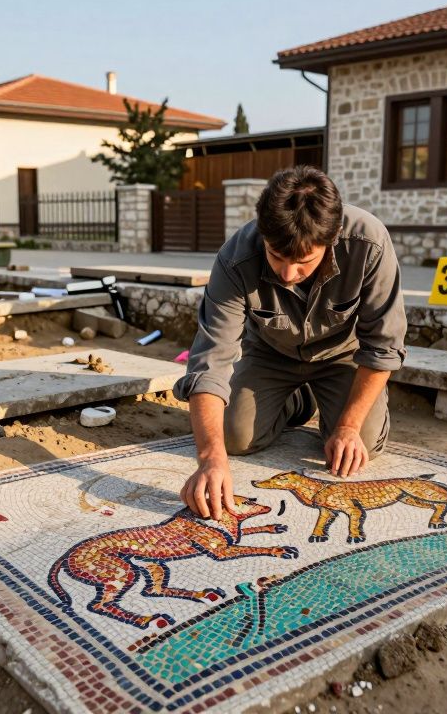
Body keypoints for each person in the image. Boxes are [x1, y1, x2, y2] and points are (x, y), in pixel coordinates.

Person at [174, 166, 406, 521]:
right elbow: (210, 360)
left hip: (341, 357)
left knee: (363, 443)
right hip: (270, 355)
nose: (286, 274)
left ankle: (328, 405)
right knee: (232, 438)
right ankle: (298, 400)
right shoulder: (235, 258)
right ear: (263, 233)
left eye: (303, 262)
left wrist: (347, 427)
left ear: (332, 238)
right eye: (276, 256)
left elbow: (383, 347)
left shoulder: (369, 243)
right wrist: (210, 458)